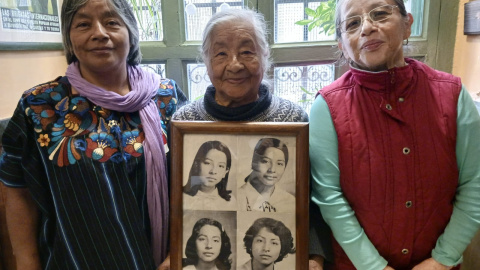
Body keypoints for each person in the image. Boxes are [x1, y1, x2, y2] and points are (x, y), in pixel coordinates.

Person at [0, 0, 186, 268]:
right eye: (83, 24)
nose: (99, 33)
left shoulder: (166, 98)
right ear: (69, 38)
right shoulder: (39, 106)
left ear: (131, 33)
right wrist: (26, 261)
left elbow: (192, 181)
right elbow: (18, 188)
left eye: (112, 22)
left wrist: (181, 250)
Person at [309, 0, 480, 269]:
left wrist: (442, 259)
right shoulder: (326, 107)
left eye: (379, 14)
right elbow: (329, 196)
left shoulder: (454, 96)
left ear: (407, 24)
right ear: (343, 45)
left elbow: (474, 186)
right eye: (352, 23)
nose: (366, 27)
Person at [171, 8, 331, 268]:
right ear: (206, 60)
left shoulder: (293, 119)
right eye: (221, 53)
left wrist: (314, 254)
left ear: (265, 56)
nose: (234, 64)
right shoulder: (186, 122)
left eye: (247, 52)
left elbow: (314, 198)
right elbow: (175, 203)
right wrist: (174, 248)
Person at [237, 138, 294, 212]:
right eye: (265, 161)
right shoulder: (237, 198)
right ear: (254, 163)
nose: (272, 170)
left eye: (279, 164)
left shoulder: (291, 202)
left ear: (284, 167)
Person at [183, 140, 236, 210]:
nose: (213, 171)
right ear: (197, 164)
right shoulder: (182, 197)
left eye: (220, 166)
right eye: (207, 163)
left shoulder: (231, 202)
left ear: (225, 172)